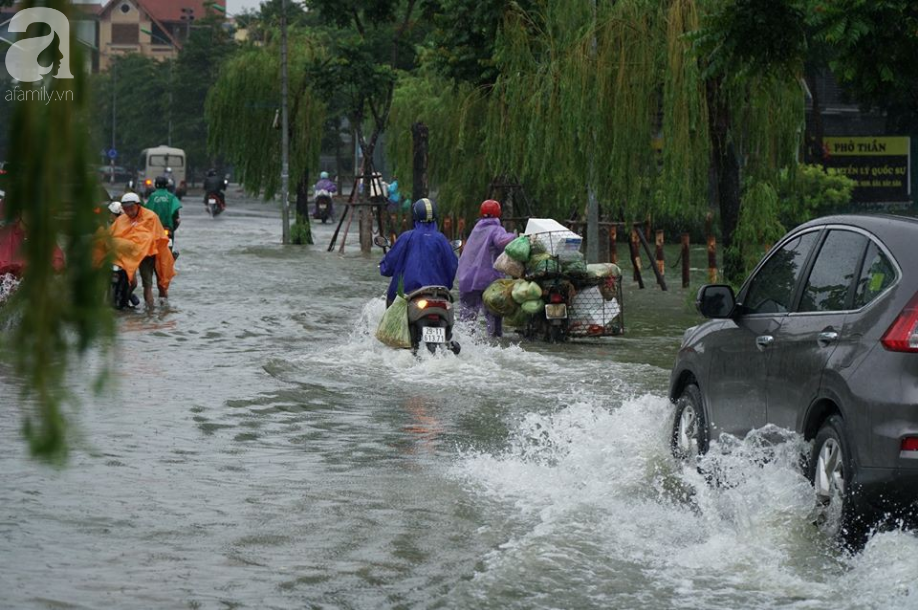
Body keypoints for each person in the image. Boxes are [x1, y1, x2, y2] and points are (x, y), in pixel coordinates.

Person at [379, 198, 458, 307]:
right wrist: (446, 285)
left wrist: (383, 266)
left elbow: (389, 265)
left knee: (391, 307)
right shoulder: (441, 239)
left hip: (409, 295)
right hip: (439, 295)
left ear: (415, 217)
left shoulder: (406, 237)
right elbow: (452, 267)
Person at [456, 199, 517, 337]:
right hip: (488, 281)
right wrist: (515, 236)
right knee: (494, 317)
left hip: (467, 279)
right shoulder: (496, 229)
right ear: (498, 213)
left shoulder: (476, 229)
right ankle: (494, 342)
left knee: (466, 320)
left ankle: (463, 343)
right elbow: (501, 241)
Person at [109, 192, 175, 307]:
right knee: (144, 285)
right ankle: (131, 305)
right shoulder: (122, 219)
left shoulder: (150, 216)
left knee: (161, 284)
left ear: (138, 205)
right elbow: (112, 235)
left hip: (153, 254)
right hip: (134, 255)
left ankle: (158, 311)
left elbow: (152, 237)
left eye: (131, 208)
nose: (129, 211)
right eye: (126, 208)